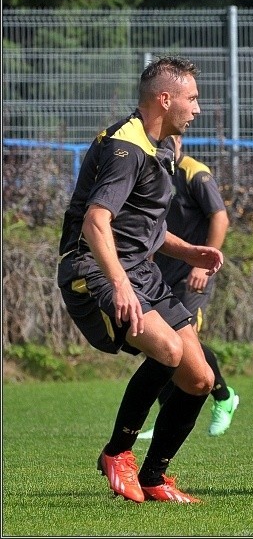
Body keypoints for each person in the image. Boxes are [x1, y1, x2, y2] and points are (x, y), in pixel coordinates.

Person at [57, 56, 222, 504]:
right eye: (191, 99)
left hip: (141, 271)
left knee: (200, 379)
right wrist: (121, 283)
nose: (197, 109)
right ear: (164, 99)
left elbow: (142, 227)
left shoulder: (163, 147)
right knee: (168, 351)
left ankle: (154, 476)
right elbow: (96, 222)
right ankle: (116, 453)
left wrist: (189, 251)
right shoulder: (125, 148)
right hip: (93, 269)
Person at [138, 135, 238, 440]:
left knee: (185, 339)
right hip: (158, 276)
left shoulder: (195, 173)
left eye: (175, 138)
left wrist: (201, 265)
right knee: (158, 343)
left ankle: (223, 397)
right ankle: (167, 415)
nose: (170, 142)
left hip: (191, 277)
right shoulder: (152, 171)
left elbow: (220, 218)